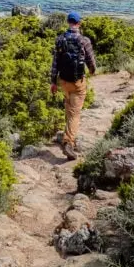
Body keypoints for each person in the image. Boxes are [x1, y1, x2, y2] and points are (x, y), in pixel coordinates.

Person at [51, 11, 97, 160]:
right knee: (75, 113)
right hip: (78, 82)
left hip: (63, 81)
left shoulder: (60, 39)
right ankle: (68, 143)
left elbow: (55, 63)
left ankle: (67, 135)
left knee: (69, 108)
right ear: (79, 23)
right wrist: (92, 70)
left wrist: (53, 82)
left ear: (68, 22)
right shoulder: (84, 40)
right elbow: (91, 61)